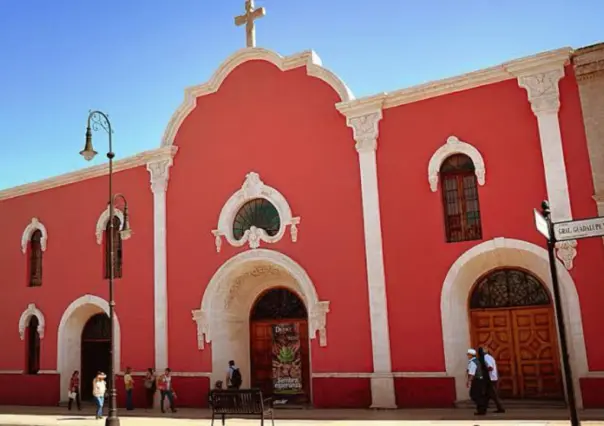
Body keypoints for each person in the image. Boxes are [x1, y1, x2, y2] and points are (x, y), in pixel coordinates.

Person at [466, 348, 488, 415]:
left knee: (474, 395)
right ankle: (481, 409)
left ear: (471, 355)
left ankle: (482, 408)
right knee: (478, 395)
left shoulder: (472, 362)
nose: (467, 356)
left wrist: (468, 381)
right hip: (480, 380)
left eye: (468, 354)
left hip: (477, 380)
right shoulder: (477, 361)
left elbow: (472, 373)